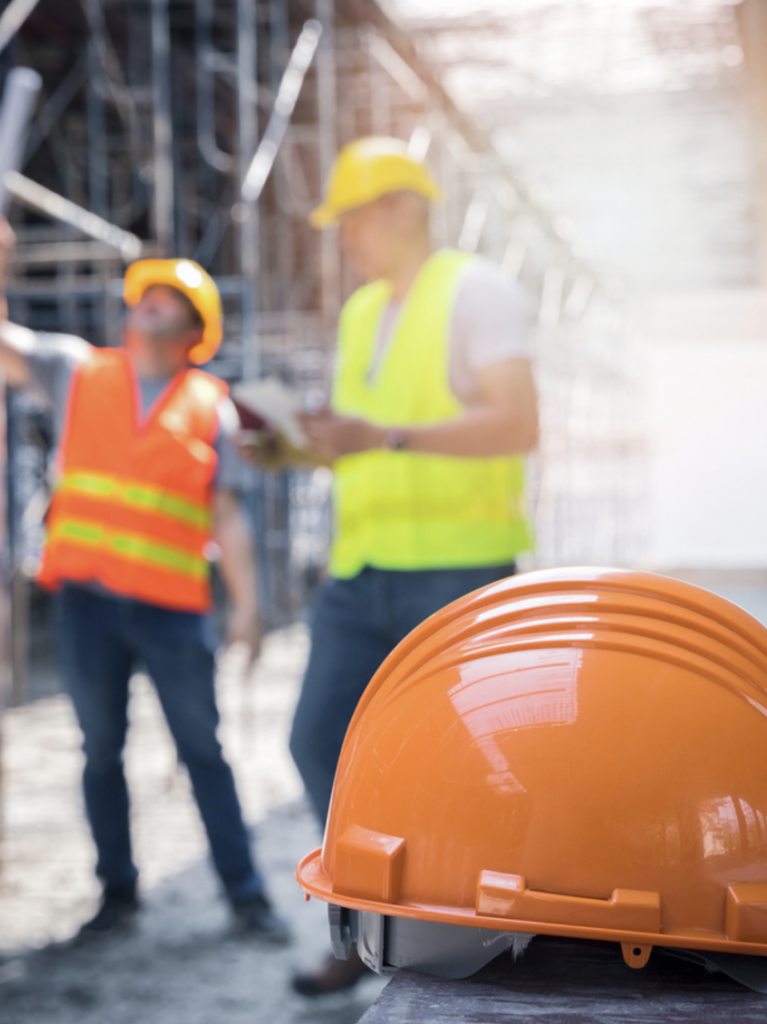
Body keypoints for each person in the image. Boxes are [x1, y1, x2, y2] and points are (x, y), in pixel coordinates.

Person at [0, 206, 289, 944]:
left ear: (191, 327)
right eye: (144, 295)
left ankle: (246, 896)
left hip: (173, 612)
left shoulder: (216, 409)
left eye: (164, 296)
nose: (146, 303)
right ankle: (118, 894)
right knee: (99, 751)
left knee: (202, 750)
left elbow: (226, 515)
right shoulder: (79, 372)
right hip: (89, 606)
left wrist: (247, 608)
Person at [284, 137, 539, 994]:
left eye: (352, 217)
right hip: (363, 570)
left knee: (469, 764)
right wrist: (299, 450)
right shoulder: (362, 312)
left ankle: (471, 931)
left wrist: (383, 437)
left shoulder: (477, 291)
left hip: (456, 575)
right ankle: (365, 927)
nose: (345, 236)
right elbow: (367, 441)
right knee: (321, 738)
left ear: (398, 210)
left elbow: (517, 423)